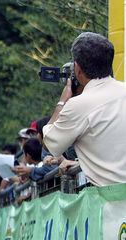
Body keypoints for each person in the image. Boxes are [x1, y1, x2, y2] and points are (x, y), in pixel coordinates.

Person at [43, 32, 126, 187]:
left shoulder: (78, 105)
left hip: (112, 203)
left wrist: (62, 102)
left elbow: (49, 144)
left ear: (77, 68)